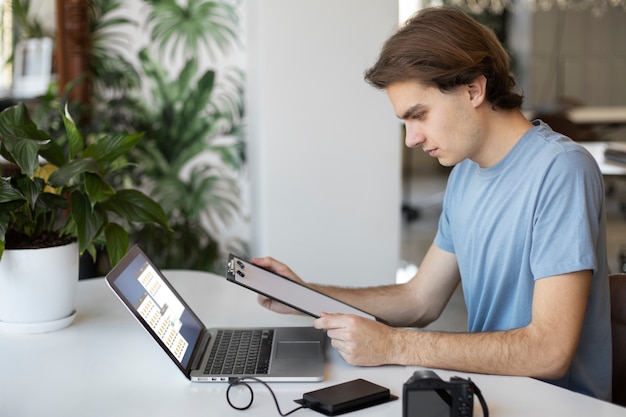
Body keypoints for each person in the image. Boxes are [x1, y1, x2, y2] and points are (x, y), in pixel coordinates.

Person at [253, 6, 611, 401]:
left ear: (473, 90)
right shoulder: (465, 176)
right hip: (495, 394)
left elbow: (548, 351)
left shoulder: (560, 170)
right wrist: (303, 294)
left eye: (419, 115)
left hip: (560, 406)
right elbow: (419, 300)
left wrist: (395, 345)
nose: (411, 138)